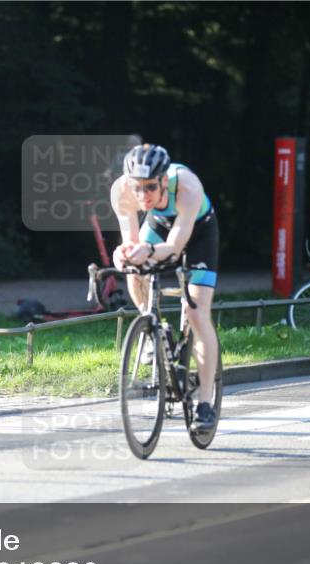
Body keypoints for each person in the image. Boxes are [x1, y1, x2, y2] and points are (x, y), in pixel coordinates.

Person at [110, 144, 221, 436]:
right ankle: (152, 331)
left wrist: (147, 249)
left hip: (197, 233)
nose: (142, 195)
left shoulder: (187, 186)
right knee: (135, 272)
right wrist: (122, 255)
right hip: (159, 225)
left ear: (163, 181)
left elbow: (174, 247)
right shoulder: (121, 191)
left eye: (149, 187)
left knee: (196, 312)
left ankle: (205, 403)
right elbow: (131, 243)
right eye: (137, 187)